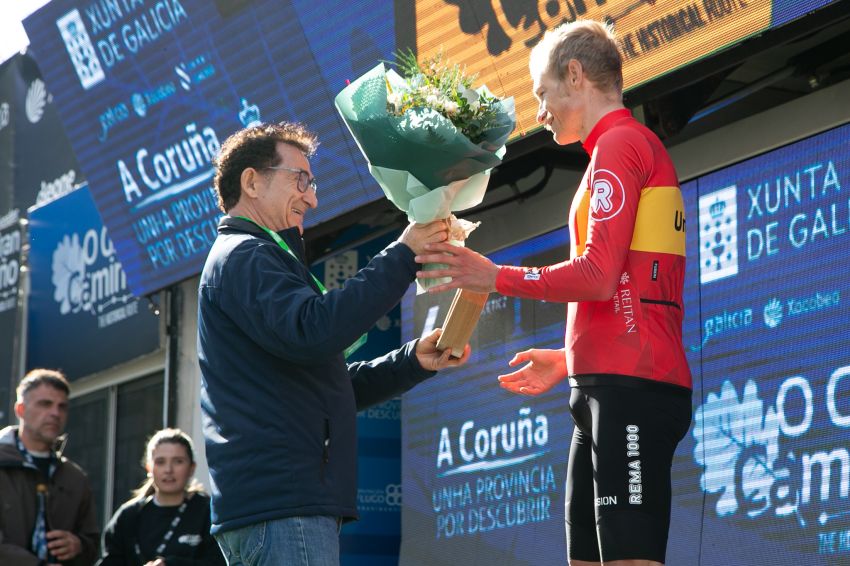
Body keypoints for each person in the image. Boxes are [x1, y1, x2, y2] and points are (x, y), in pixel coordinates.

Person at [414, 20, 692, 566]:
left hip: (632, 387)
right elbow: (630, 286)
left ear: (575, 75)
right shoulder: (611, 152)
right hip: (603, 383)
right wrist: (571, 357)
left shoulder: (622, 144)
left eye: (542, 95)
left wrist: (493, 275)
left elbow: (597, 276)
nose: (538, 113)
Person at [197, 121, 471, 566]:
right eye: (299, 179)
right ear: (251, 181)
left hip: (283, 506)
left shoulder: (251, 257)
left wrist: (412, 362)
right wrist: (402, 254)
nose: (312, 197)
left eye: (313, 182)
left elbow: (322, 388)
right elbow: (315, 330)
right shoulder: (245, 255)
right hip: (285, 506)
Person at [0, 368, 99, 566]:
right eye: (45, 404)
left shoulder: (75, 478)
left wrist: (78, 545)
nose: (55, 413)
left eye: (62, 407)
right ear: (20, 410)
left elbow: (94, 545)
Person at [97, 428, 225, 566]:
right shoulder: (128, 516)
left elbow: (221, 562)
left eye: (178, 461)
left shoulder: (208, 512)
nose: (168, 470)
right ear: (149, 468)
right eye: (160, 462)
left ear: (192, 468)